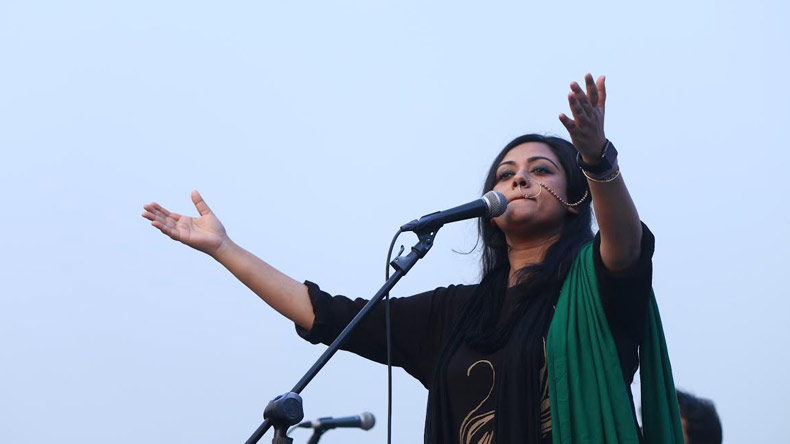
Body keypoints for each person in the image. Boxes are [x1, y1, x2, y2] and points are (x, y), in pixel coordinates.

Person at [143, 73, 683, 443]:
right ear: (490, 207)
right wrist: (224, 249)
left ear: (574, 197)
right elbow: (328, 315)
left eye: (541, 170)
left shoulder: (594, 288)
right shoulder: (454, 314)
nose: (519, 178)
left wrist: (596, 158)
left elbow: (626, 244)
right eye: (505, 174)